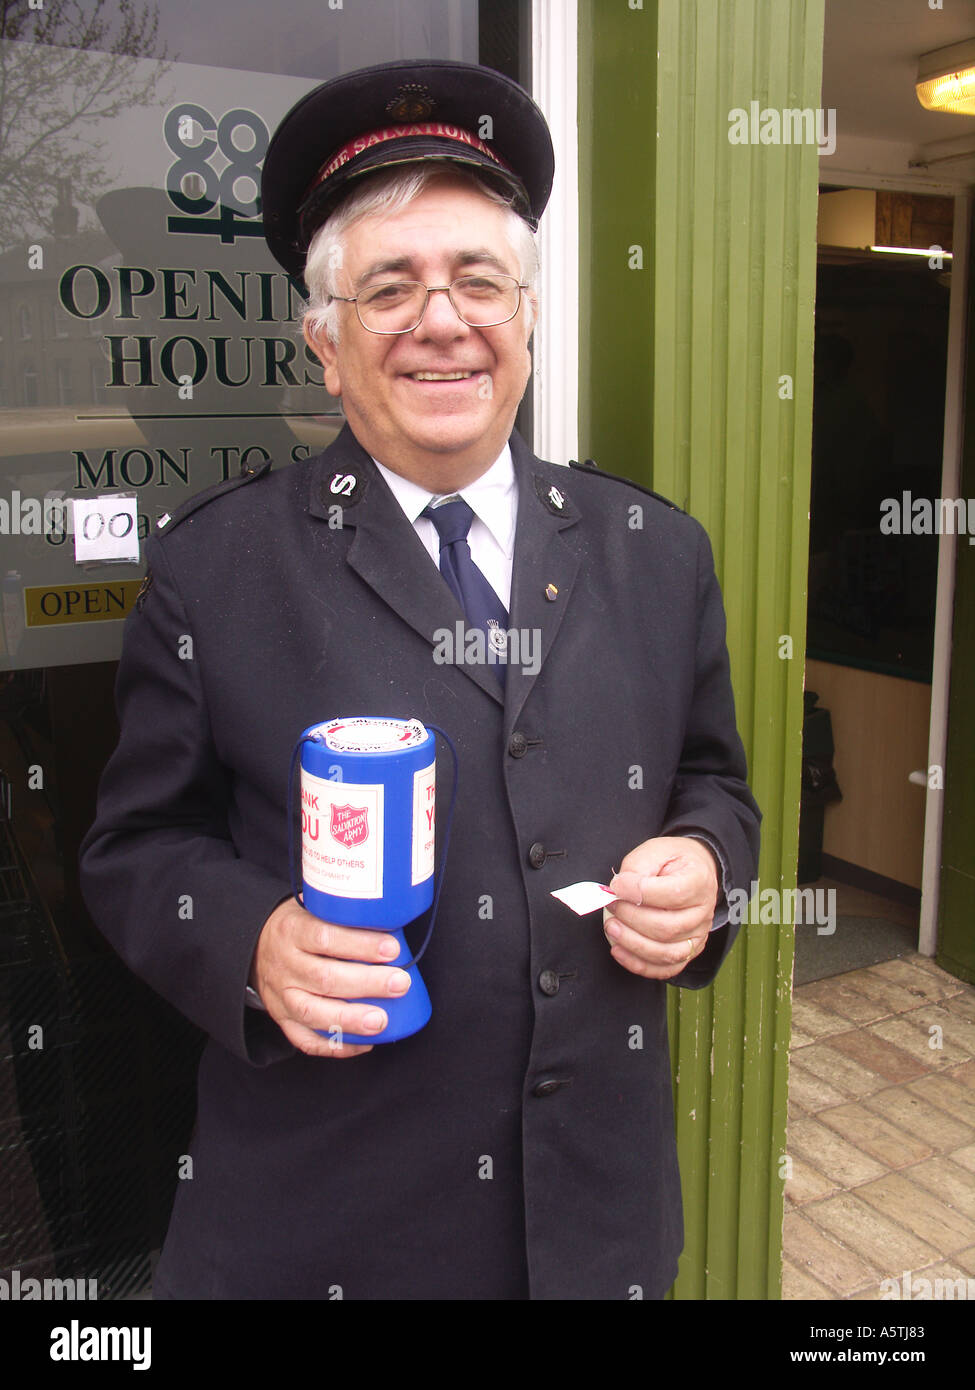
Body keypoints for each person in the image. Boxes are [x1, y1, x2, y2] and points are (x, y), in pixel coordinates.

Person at [80, 58, 760, 1301]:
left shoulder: (657, 553)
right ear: (326, 346)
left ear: (530, 317)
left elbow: (715, 783)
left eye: (479, 281)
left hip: (596, 1231)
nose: (443, 320)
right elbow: (134, 848)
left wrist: (710, 872)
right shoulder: (213, 569)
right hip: (321, 1234)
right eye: (388, 289)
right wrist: (254, 941)